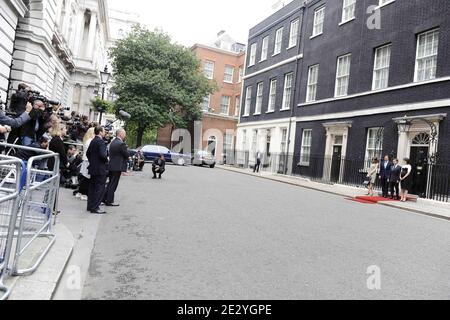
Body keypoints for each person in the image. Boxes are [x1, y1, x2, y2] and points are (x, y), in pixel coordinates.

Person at [104, 129, 129, 207]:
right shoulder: (121, 143)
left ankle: (105, 198)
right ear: (120, 134)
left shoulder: (113, 142)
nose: (125, 135)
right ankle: (109, 201)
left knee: (110, 183)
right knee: (113, 184)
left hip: (112, 165)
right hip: (117, 166)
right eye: (124, 134)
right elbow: (126, 154)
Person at [86, 126, 108, 214]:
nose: (105, 133)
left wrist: (93, 161)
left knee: (92, 188)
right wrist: (107, 160)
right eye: (104, 131)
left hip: (93, 168)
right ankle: (95, 207)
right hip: (100, 169)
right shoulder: (101, 142)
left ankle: (90, 206)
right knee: (99, 188)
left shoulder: (93, 141)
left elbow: (88, 153)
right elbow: (103, 155)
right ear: (100, 132)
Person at [75, 127, 95, 201]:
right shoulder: (90, 141)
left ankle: (80, 192)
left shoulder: (87, 140)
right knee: (86, 178)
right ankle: (84, 193)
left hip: (86, 160)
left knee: (85, 178)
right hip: (87, 161)